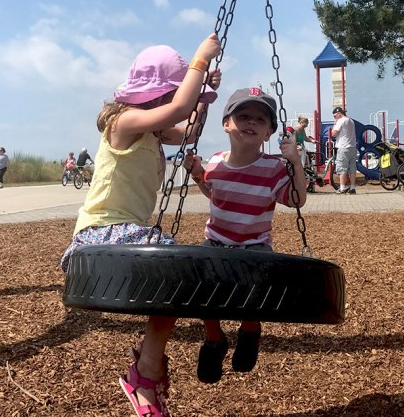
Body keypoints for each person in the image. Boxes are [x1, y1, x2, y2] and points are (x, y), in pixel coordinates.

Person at [59, 35, 222, 416]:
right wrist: (198, 62)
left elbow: (191, 129)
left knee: (181, 273)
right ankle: (145, 374)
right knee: (177, 262)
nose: (170, 106)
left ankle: (150, 366)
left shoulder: (153, 131)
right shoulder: (123, 122)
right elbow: (179, 108)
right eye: (168, 96)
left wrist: (202, 97)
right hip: (98, 233)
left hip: (126, 233)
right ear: (153, 94)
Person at [183, 87, 306, 385]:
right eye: (243, 116)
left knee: (255, 293)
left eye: (260, 120)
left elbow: (296, 200)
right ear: (227, 123)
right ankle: (215, 339)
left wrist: (296, 163)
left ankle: (250, 329)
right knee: (201, 289)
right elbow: (215, 194)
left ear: (268, 133)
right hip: (216, 240)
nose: (251, 123)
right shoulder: (215, 162)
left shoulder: (274, 169)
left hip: (254, 245)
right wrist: (199, 174)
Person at [331, 106, 357, 194]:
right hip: (353, 147)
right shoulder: (351, 121)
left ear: (338, 114)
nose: (334, 118)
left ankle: (342, 188)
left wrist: (335, 123)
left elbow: (333, 134)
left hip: (343, 147)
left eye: (335, 116)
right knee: (352, 168)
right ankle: (352, 187)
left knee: (342, 168)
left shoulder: (340, 121)